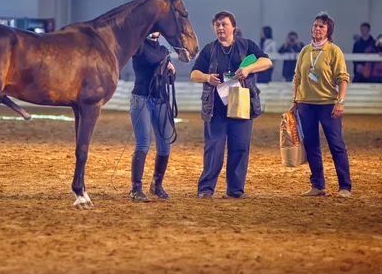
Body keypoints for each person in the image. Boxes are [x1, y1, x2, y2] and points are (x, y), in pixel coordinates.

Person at [190, 11, 272, 198]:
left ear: (233, 27)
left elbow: (266, 61)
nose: (220, 28)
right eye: (217, 25)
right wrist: (207, 77)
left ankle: (235, 190)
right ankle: (206, 189)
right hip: (216, 110)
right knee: (213, 150)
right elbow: (194, 73)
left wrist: (248, 69)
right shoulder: (209, 50)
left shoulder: (247, 45)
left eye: (224, 24)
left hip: (242, 107)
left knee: (240, 148)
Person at [290, 11, 351, 198]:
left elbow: (342, 78)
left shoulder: (334, 51)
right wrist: (295, 101)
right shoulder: (305, 51)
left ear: (328, 31)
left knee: (336, 145)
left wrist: (340, 101)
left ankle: (345, 187)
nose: (317, 28)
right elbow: (297, 78)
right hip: (306, 105)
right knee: (311, 145)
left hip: (327, 105)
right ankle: (318, 185)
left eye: (321, 26)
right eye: (315, 25)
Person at [129, 32, 176, 202]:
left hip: (160, 99)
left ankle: (157, 185)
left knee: (165, 143)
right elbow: (149, 60)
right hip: (141, 98)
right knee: (143, 142)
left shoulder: (163, 50)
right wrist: (163, 63)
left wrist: (171, 71)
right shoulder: (139, 46)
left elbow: (170, 80)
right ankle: (136, 188)